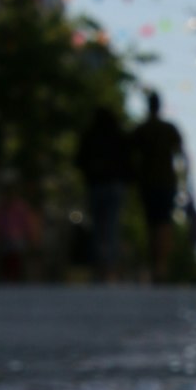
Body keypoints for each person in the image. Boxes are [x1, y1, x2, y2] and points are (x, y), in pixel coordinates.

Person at [131, 90, 186, 282]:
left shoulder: (142, 129)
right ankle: (160, 265)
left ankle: (157, 264)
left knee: (152, 224)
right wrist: (185, 183)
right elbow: (182, 156)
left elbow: (131, 156)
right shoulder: (168, 129)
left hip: (148, 182)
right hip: (165, 182)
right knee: (163, 223)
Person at [77, 104, 132, 280]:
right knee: (111, 227)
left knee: (98, 228)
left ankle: (99, 268)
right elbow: (127, 162)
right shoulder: (118, 136)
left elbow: (79, 160)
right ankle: (109, 268)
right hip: (113, 186)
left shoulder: (90, 136)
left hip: (96, 185)